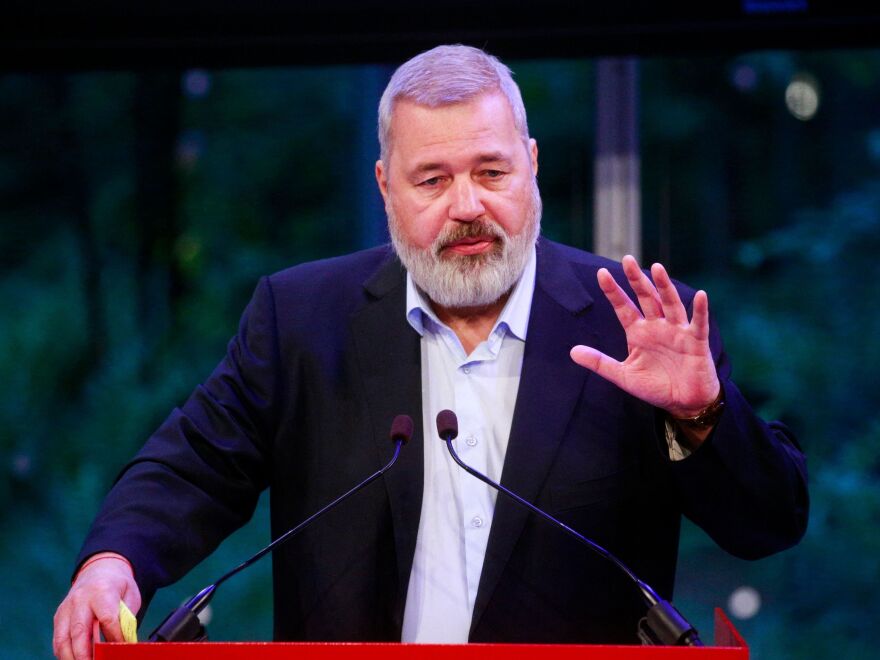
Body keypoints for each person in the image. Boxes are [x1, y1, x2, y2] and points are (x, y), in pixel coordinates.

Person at [53, 44, 808, 659]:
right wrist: (111, 563)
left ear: (532, 167)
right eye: (433, 180)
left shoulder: (629, 321)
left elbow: (767, 524)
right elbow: (193, 466)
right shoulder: (302, 319)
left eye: (491, 172)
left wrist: (703, 415)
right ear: (386, 187)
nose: (468, 206)